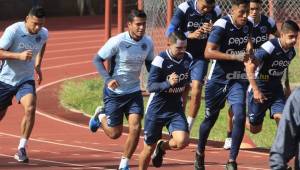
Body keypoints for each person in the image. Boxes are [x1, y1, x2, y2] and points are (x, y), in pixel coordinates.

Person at [88, 9, 154, 170]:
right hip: (115, 94)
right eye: (138, 24)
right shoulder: (117, 41)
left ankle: (124, 163)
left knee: (136, 127)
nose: (141, 28)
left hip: (133, 92)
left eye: (144, 24)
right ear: (129, 25)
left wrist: (155, 81)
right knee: (114, 134)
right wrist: (108, 79)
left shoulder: (148, 42)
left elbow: (150, 64)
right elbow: (97, 60)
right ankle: (101, 115)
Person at [194, 0, 253, 169]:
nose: (245, 15)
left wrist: (250, 52)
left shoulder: (248, 24)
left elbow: (248, 40)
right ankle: (199, 152)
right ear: (233, 11)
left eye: (247, 12)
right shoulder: (221, 25)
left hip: (237, 78)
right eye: (242, 12)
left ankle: (232, 161)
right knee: (210, 119)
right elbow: (208, 52)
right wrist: (234, 56)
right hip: (218, 79)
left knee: (240, 115)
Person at [223, 0, 280, 150]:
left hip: (261, 72)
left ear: (261, 8)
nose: (253, 12)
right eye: (251, 9)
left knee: (256, 127)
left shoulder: (268, 22)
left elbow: (280, 38)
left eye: (257, 9)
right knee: (237, 103)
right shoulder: (243, 23)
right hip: (242, 70)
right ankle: (229, 136)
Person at [0, 6, 48, 163]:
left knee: (30, 107)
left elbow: (43, 44)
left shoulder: (43, 33)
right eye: (34, 23)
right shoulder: (13, 31)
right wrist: (18, 56)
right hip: (4, 79)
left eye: (41, 24)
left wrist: (38, 65)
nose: (37, 28)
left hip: (25, 79)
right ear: (27, 18)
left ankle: (21, 148)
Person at [138, 30, 192, 170]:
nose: (182, 51)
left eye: (185, 47)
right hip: (156, 110)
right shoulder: (160, 60)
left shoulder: (188, 58)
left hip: (175, 109)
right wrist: (167, 83)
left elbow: (187, 86)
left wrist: (183, 106)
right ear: (169, 44)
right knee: (149, 149)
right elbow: (150, 86)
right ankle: (155, 148)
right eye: (179, 48)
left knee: (182, 141)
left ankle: (162, 146)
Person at [166, 0, 222, 131]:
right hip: (182, 55)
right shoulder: (184, 8)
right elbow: (169, 32)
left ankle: (187, 128)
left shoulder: (216, 11)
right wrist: (189, 35)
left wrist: (213, 29)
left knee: (196, 89)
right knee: (182, 90)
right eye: (204, 7)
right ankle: (176, 124)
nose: (206, 10)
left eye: (210, 7)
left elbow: (221, 32)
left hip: (200, 57)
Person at [245, 20, 299, 134]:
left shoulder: (292, 52)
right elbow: (250, 67)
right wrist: (256, 90)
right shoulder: (269, 47)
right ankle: (239, 118)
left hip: (276, 90)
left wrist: (287, 87)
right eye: (291, 36)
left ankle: (285, 149)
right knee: (255, 129)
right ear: (282, 35)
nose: (294, 40)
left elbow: (284, 68)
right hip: (261, 87)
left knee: (282, 118)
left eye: (296, 37)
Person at [269, 88, 300, 170]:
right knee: (255, 128)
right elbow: (279, 155)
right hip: (263, 91)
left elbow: (278, 155)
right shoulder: (298, 98)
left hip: (276, 90)